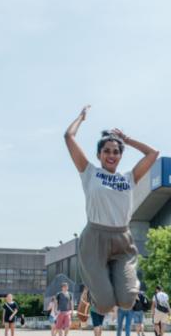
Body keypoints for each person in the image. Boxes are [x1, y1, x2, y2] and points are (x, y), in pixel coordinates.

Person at [64, 106, 159, 323]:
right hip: (94, 238)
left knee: (127, 300)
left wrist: (127, 139)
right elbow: (68, 137)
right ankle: (91, 293)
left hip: (122, 240)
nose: (111, 155)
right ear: (99, 154)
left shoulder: (129, 178)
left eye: (116, 151)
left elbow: (153, 154)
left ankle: (107, 282)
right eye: (106, 151)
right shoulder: (89, 172)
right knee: (105, 304)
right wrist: (81, 118)